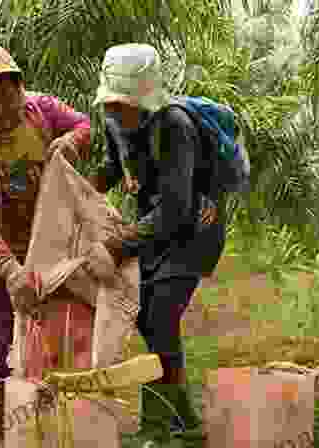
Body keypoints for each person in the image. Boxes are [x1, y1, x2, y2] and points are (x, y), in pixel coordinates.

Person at [0, 44, 92, 441]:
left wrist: (72, 142)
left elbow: (83, 123)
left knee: (46, 324)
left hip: (35, 237)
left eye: (7, 96)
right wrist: (10, 271)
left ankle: (45, 417)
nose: (2, 111)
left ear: (18, 88)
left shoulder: (40, 110)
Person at [91, 43, 225, 445]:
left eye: (123, 104)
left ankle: (156, 429)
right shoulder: (114, 120)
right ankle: (185, 421)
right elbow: (114, 167)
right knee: (151, 321)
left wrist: (117, 244)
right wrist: (74, 192)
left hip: (192, 233)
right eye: (111, 103)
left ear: (146, 98)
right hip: (152, 232)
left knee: (160, 317)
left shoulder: (175, 127)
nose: (115, 111)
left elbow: (176, 211)